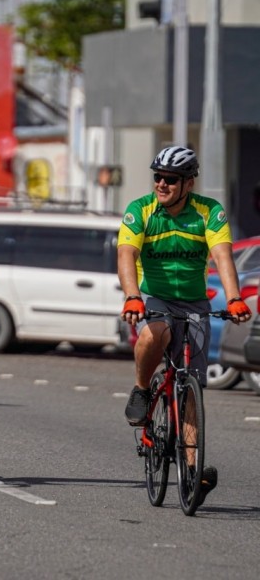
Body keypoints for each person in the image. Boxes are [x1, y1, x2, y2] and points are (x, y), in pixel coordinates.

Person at [118, 145, 252, 506]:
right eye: (157, 177)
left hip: (195, 302)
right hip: (155, 297)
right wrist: (132, 295)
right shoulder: (140, 210)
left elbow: (223, 255)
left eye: (171, 179)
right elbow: (126, 255)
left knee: (191, 387)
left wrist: (235, 297)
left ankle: (192, 469)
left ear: (188, 183)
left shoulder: (209, 212)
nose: (161, 184)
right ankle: (142, 389)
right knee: (156, 331)